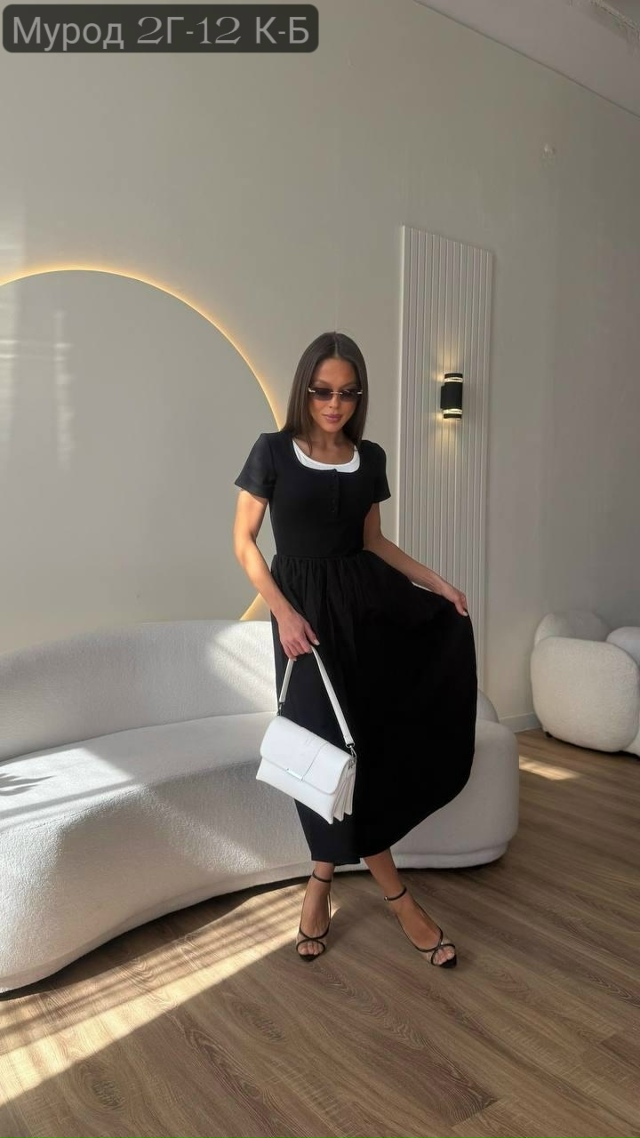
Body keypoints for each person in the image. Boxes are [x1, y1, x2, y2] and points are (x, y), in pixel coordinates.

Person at [233, 332, 477, 967]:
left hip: (365, 612)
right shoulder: (271, 451)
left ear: (359, 396)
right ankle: (399, 900)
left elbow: (374, 543)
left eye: (346, 393)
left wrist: (439, 584)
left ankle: (320, 881)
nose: (333, 404)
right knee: (321, 752)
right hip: (302, 623)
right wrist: (283, 613)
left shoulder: (370, 458)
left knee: (365, 749)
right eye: (322, 391)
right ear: (305, 390)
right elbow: (244, 543)